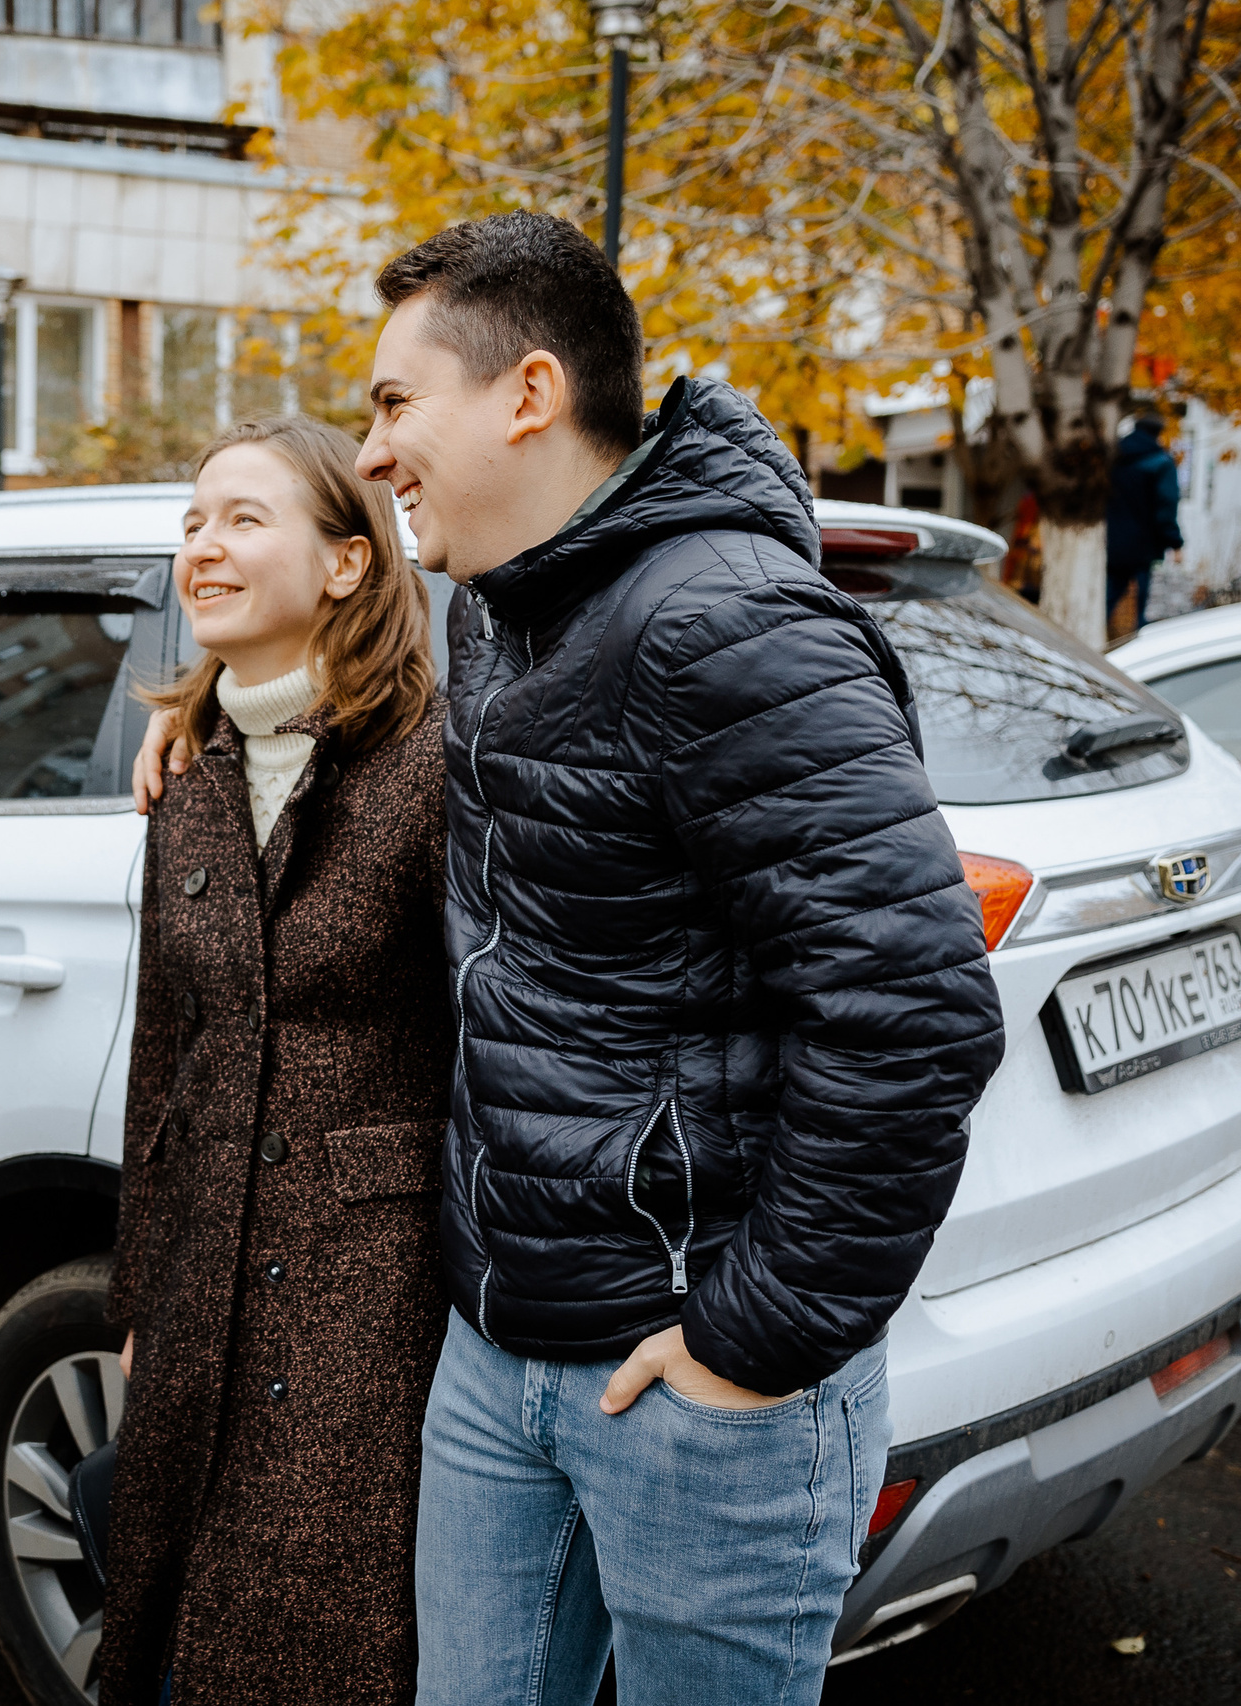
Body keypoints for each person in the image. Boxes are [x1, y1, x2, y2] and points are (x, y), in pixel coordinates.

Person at [136, 212, 1006, 1704]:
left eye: (396, 404)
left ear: (527, 394)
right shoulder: (500, 619)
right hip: (499, 1345)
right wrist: (204, 715)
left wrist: (753, 1338)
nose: (378, 448)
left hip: (694, 1379)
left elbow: (914, 1014)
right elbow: (373, 753)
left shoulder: (724, 618)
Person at [96, 416, 452, 1706]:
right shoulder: (189, 774)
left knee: (323, 1651)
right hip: (200, 1295)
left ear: (349, 562)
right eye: (194, 521)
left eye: (244, 518)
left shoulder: (432, 767)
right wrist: (138, 1294)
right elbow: (163, 1059)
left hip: (371, 1310)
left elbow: (495, 1047)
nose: (203, 546)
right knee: (180, 1632)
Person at [1107, 412, 1185, 632]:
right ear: (1158, 433)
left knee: (1107, 598)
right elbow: (1165, 508)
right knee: (1146, 609)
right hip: (1145, 547)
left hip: (1113, 542)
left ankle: (1090, 643)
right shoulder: (1160, 462)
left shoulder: (1113, 457)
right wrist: (1176, 543)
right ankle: (1142, 655)